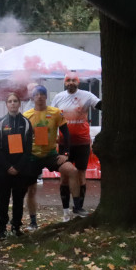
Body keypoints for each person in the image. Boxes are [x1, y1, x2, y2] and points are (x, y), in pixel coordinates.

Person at [23, 85, 82, 229]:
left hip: (51, 154)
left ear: (46, 96)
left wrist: (66, 154)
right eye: (37, 94)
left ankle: (78, 207)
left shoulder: (55, 113)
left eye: (42, 94)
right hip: (33, 156)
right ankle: (33, 222)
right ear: (33, 97)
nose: (40, 97)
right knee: (31, 190)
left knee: (73, 171)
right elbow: (22, 137)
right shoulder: (27, 115)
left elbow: (66, 134)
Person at [51, 73, 101, 217]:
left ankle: (78, 208)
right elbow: (52, 118)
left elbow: (100, 105)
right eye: (68, 80)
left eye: (73, 80)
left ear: (78, 82)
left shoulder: (86, 95)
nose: (70, 83)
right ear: (64, 83)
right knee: (65, 176)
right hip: (64, 143)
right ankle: (65, 211)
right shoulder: (58, 97)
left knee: (81, 174)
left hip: (82, 142)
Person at [0, 92, 34, 239]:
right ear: (6, 104)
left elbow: (29, 149)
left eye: (15, 101)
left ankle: (16, 226)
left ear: (19, 104)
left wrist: (18, 167)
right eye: (10, 101)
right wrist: (7, 167)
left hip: (21, 169)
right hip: (3, 169)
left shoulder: (26, 123)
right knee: (2, 200)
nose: (12, 103)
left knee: (18, 200)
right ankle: (2, 228)